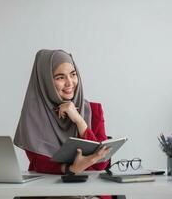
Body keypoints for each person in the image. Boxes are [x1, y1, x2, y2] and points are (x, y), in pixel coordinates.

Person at [14, 49, 112, 199]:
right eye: (60, 77)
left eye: (73, 74)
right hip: (47, 190)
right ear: (45, 80)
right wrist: (70, 168)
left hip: (91, 190)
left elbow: (100, 165)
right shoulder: (34, 115)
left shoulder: (93, 110)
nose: (69, 83)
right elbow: (39, 162)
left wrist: (79, 120)